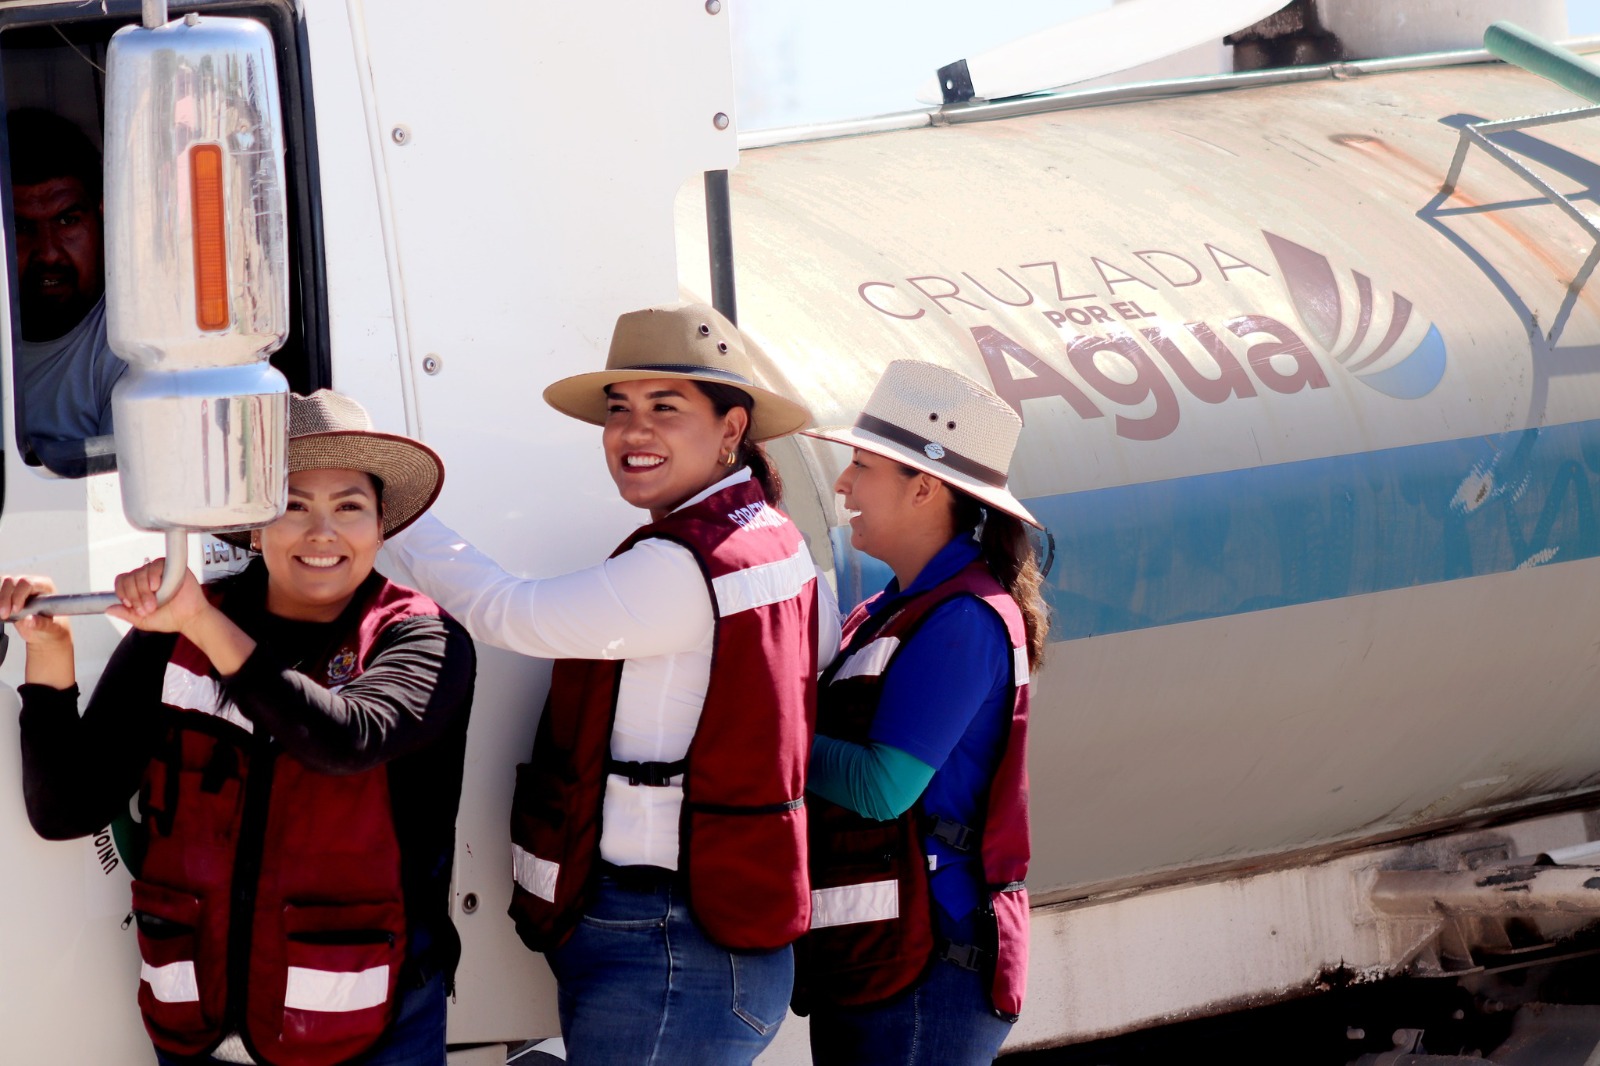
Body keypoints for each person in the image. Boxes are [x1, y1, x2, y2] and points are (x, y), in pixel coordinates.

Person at [385, 301, 836, 1065]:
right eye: (619, 409)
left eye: (666, 408)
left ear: (732, 429)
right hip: (717, 936)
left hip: (667, 946)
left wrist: (387, 500)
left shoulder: (681, 566)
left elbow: (504, 612)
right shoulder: (775, 538)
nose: (633, 432)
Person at [7, 390, 473, 1066]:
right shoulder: (177, 631)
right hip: (196, 1028)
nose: (322, 533)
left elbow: (345, 742)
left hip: (371, 1033)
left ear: (381, 528)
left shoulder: (424, 639)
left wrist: (200, 621)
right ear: (254, 530)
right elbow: (67, 808)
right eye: (292, 506)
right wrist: (49, 650)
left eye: (349, 507)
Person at [795, 360, 1047, 1065]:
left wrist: (765, 738)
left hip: (926, 963)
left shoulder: (963, 619)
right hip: (880, 954)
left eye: (862, 466)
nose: (842, 484)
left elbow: (884, 788)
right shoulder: (888, 609)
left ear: (925, 488)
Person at [7, 108, 126, 452]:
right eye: (21, 227)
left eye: (67, 221)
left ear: (102, 217)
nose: (48, 254)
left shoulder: (129, 344)